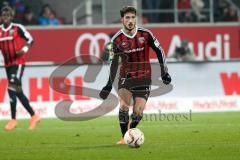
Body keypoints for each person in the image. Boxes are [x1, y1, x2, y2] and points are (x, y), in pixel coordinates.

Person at [99, 6, 171, 144]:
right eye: (127, 18)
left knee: (138, 112)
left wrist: (164, 72)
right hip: (126, 77)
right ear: (122, 20)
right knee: (124, 106)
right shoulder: (117, 39)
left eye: (133, 17)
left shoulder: (146, 34)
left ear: (135, 18)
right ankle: (124, 137)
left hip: (144, 77)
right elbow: (113, 64)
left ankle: (130, 133)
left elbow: (159, 50)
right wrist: (108, 84)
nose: (130, 20)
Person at [0, 6, 40, 131]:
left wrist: (24, 49)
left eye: (8, 16)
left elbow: (31, 39)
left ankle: (13, 120)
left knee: (11, 88)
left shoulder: (17, 28)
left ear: (11, 17)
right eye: (3, 15)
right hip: (8, 64)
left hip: (18, 62)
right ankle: (34, 116)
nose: (5, 18)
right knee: (18, 91)